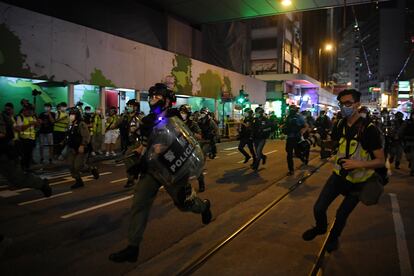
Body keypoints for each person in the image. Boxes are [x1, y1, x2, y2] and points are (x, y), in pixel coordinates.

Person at [109, 83, 212, 263]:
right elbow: (144, 145)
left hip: (173, 169)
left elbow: (183, 141)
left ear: (166, 100)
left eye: (157, 97)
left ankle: (203, 207)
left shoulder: (175, 117)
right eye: (151, 97)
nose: (152, 100)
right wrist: (139, 156)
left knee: (183, 203)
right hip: (152, 170)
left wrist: (162, 147)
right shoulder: (147, 121)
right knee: (139, 203)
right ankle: (133, 247)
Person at [302, 89, 385, 252]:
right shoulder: (339, 124)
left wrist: (358, 164)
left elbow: (380, 161)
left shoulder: (369, 129)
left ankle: (333, 239)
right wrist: (316, 140)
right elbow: (334, 144)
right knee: (319, 208)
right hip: (338, 176)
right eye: (342, 103)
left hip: (358, 182)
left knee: (341, 216)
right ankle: (320, 228)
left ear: (357, 104)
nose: (344, 107)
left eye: (348, 103)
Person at [0, 103, 51, 197]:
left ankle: (40, 183)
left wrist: (36, 124)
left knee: (18, 178)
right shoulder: (18, 117)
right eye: (28, 110)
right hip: (20, 142)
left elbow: (5, 133)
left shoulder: (6, 117)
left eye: (30, 110)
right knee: (21, 167)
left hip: (8, 150)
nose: (29, 112)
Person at [66, 108, 99, 189]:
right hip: (72, 148)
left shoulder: (81, 124)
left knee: (78, 166)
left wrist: (82, 145)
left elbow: (86, 136)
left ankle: (92, 169)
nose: (71, 116)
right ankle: (78, 181)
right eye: (70, 114)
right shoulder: (71, 124)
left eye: (73, 114)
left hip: (81, 148)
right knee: (70, 165)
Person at [178, 104, 206, 192]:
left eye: (184, 112)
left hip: (191, 149)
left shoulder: (193, 124)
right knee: (182, 171)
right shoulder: (177, 123)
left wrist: (190, 134)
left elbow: (200, 136)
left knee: (197, 168)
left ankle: (201, 182)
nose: (182, 114)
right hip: (181, 149)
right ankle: (185, 188)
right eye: (181, 112)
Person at [282, 105, 308, 175]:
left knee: (297, 152)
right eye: (290, 109)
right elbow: (286, 126)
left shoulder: (299, 117)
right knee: (289, 154)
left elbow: (306, 125)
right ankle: (291, 170)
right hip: (290, 138)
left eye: (292, 109)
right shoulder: (288, 117)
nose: (291, 110)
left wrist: (302, 132)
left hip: (296, 138)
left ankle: (303, 158)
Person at [122, 99, 142, 188]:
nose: (129, 107)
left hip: (138, 142)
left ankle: (131, 178)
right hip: (128, 141)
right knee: (135, 160)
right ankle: (136, 173)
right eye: (128, 106)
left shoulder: (140, 117)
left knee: (127, 157)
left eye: (131, 106)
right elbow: (117, 123)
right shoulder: (125, 117)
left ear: (135, 107)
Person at [16, 104, 38, 171]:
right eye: (29, 111)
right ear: (24, 111)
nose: (30, 113)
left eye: (31, 111)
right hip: (23, 139)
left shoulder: (32, 117)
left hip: (32, 139)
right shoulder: (20, 117)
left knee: (29, 154)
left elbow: (34, 127)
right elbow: (20, 129)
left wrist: (37, 124)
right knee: (24, 155)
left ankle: (28, 167)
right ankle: (23, 168)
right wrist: (30, 124)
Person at [251, 106, 272, 171]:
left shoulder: (266, 120)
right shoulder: (254, 120)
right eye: (256, 112)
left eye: (257, 112)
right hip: (255, 138)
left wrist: (263, 130)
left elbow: (270, 128)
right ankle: (264, 157)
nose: (256, 114)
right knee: (258, 152)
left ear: (260, 113)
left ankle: (256, 166)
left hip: (262, 138)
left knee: (258, 151)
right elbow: (252, 128)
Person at [401, 111, 414, 176]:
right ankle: (411, 163)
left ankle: (412, 170)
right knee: (408, 156)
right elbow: (402, 129)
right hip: (408, 141)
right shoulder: (407, 122)